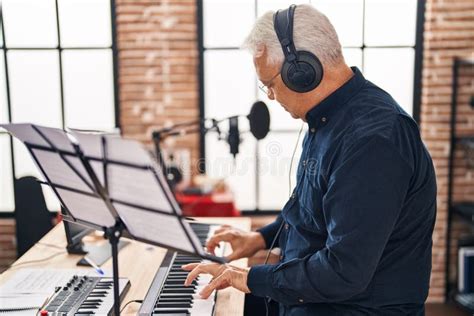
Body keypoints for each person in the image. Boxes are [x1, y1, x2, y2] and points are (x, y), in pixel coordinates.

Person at [182, 4, 437, 316]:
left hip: (354, 308)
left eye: (271, 84)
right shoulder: (327, 120)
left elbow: (344, 272)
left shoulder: (372, 141)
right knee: (210, 302)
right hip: (316, 298)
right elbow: (312, 212)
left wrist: (250, 277)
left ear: (301, 71)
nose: (271, 97)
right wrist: (258, 238)